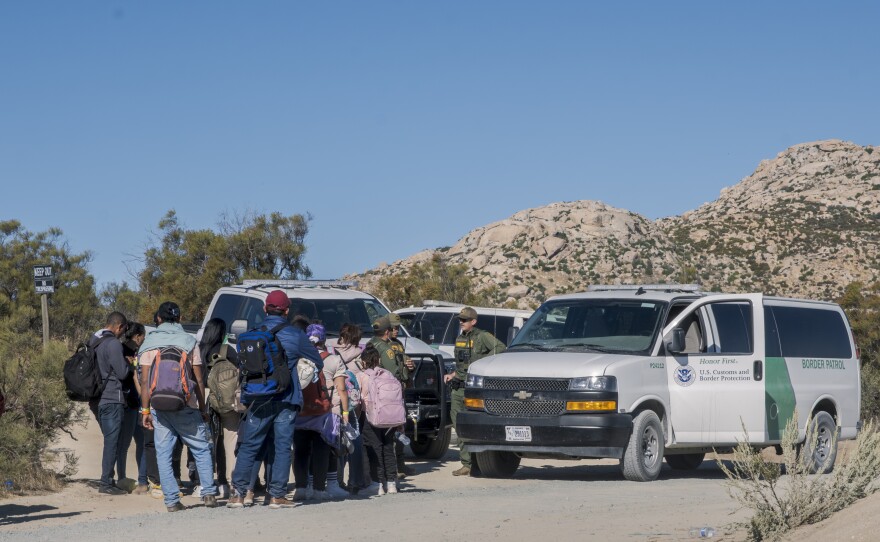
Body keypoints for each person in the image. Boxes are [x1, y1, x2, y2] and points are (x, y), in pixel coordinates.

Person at [227, 290, 323, 509]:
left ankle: (238, 494)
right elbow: (317, 361)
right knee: (281, 447)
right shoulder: (296, 335)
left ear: (264, 309)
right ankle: (277, 496)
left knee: (250, 446)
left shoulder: (252, 334)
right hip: (287, 398)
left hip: (258, 398)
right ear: (287, 311)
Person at [138, 301, 217, 512]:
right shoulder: (189, 342)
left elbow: (145, 382)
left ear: (158, 319)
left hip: (159, 406)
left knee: (163, 452)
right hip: (186, 405)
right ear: (180, 319)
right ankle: (208, 493)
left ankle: (172, 501)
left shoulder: (149, 343)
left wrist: (145, 410)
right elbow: (199, 380)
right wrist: (202, 408)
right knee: (201, 448)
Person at [443, 307, 506, 477]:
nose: (461, 322)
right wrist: (452, 374)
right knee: (458, 425)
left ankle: (476, 463)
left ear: (474, 321)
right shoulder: (460, 338)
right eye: (460, 320)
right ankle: (466, 464)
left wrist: (480, 363)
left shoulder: (482, 336)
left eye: (464, 320)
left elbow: (501, 349)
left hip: (474, 388)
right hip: (458, 387)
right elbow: (460, 364)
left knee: (474, 426)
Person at [292, 324, 350, 500]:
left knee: (300, 450)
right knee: (321, 449)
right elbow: (341, 389)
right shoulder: (333, 360)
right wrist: (345, 413)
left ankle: (301, 488)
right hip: (323, 412)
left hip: (300, 410)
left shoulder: (297, 358)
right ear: (324, 340)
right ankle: (319, 489)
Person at [90, 311, 132, 495]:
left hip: (96, 398)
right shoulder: (113, 344)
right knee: (112, 442)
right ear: (119, 326)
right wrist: (129, 363)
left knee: (110, 440)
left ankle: (108, 480)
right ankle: (106, 482)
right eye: (123, 330)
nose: (123, 333)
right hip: (112, 398)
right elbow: (122, 373)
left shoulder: (94, 340)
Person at [199, 318, 240, 500]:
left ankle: (207, 483)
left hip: (206, 400)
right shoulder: (227, 351)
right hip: (228, 401)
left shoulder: (199, 351)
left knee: (208, 444)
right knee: (230, 441)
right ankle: (232, 483)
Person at [356, 344, 401, 495]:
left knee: (374, 449)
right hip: (390, 417)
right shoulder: (388, 374)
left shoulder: (362, 376)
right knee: (388, 448)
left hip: (371, 417)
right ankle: (392, 483)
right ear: (379, 359)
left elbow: (359, 399)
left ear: (363, 361)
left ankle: (377, 484)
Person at [333, 323, 367, 493]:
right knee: (355, 441)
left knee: (336, 442)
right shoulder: (360, 356)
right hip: (352, 405)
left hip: (333, 403)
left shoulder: (331, 351)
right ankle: (355, 481)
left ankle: (336, 481)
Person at [122, 322, 153, 495]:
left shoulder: (125, 350)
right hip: (134, 402)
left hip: (133, 403)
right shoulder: (138, 352)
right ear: (138, 336)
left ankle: (138, 480)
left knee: (139, 443)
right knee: (142, 443)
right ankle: (141, 480)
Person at [387, 313, 415, 478]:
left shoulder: (398, 344)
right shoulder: (380, 345)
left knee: (401, 428)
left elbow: (405, 361)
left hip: (401, 390)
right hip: (388, 393)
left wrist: (410, 365)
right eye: (393, 328)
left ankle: (401, 464)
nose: (396, 330)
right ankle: (393, 467)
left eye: (398, 327)